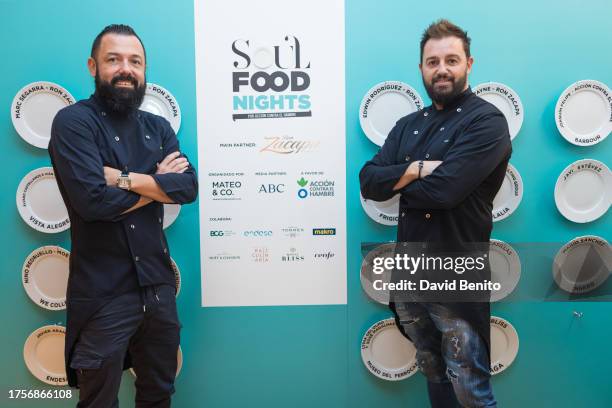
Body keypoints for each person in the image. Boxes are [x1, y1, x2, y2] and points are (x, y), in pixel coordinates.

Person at [360, 19, 511, 408]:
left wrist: (402, 182)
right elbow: (368, 182)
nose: (441, 69)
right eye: (432, 61)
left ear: (469, 64)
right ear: (422, 68)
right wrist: (416, 169)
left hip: (456, 275)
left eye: (451, 60)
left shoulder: (486, 121)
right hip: (410, 274)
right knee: (433, 372)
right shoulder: (406, 125)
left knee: (470, 387)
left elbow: (445, 192)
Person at [48, 24, 198, 407]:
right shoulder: (73, 123)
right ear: (93, 66)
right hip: (103, 293)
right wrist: (158, 183)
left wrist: (126, 180)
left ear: (145, 70)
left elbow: (188, 188)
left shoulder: (158, 128)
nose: (125, 69)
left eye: (135, 61)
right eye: (113, 59)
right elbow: (93, 203)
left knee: (158, 395)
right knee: (98, 400)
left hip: (158, 288)